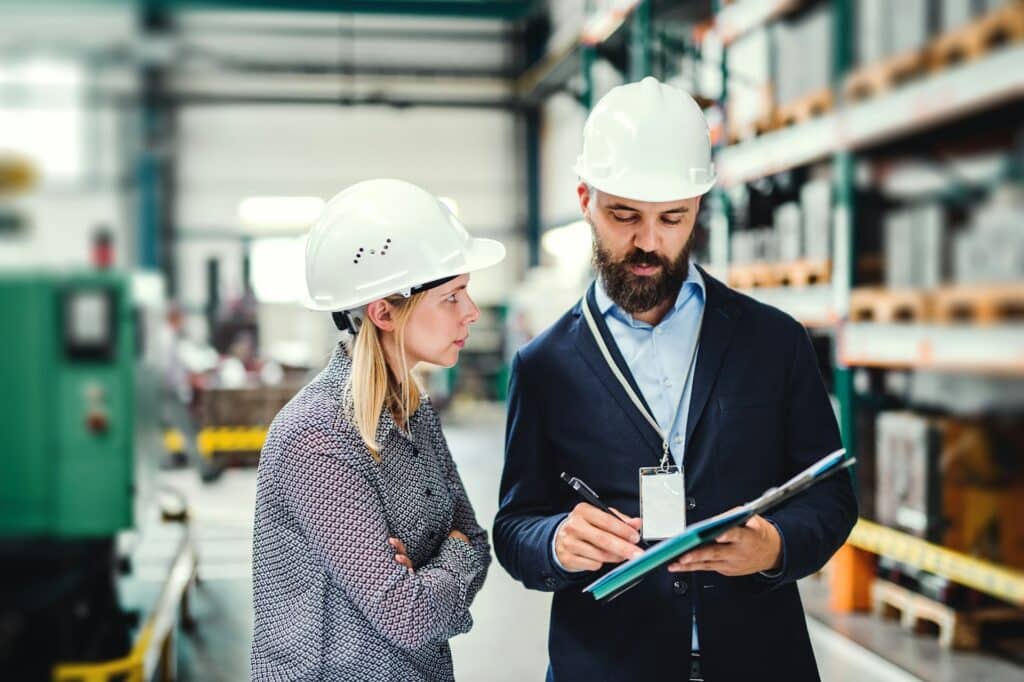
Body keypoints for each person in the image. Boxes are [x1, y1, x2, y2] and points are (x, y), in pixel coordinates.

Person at [494, 77, 857, 682]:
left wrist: (777, 547)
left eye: (672, 218)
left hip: (760, 660)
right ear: (585, 198)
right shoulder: (545, 366)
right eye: (623, 215)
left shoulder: (773, 341)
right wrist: (556, 540)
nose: (647, 242)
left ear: (698, 209)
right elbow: (514, 526)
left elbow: (832, 497)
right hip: (608, 665)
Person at [251, 178, 504, 681]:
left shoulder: (413, 412)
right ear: (384, 312)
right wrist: (451, 555)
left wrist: (435, 567)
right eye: (452, 297)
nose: (471, 312)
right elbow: (408, 615)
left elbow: (478, 540)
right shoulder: (315, 437)